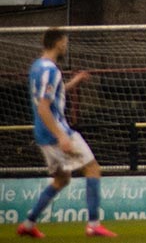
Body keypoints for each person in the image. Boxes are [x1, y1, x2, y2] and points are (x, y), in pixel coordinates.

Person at [17, 27, 117, 239]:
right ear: (58, 43)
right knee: (92, 168)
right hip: (57, 131)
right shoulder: (51, 70)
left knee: (62, 180)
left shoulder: (37, 67)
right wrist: (62, 136)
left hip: (42, 134)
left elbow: (53, 96)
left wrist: (75, 81)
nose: (66, 46)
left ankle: (28, 223)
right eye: (65, 43)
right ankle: (93, 224)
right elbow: (44, 107)